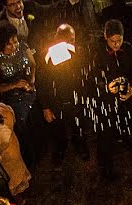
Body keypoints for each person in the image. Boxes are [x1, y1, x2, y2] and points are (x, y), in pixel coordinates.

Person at [91, 19, 132, 180]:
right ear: (105, 37)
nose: (116, 44)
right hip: (105, 102)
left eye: (119, 40)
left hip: (125, 100)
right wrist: (105, 87)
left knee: (127, 127)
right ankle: (106, 170)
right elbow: (91, 78)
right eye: (112, 41)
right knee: (105, 136)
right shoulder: (96, 53)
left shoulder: (130, 51)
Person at [38, 24, 90, 162]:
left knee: (78, 127)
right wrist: (46, 107)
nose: (70, 43)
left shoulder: (79, 52)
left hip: (76, 99)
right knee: (58, 130)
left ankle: (80, 145)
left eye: (72, 40)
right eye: (68, 40)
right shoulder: (47, 55)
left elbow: (86, 76)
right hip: (57, 100)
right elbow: (43, 83)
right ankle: (60, 149)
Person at [0, 21, 37, 153]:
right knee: (23, 124)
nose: (14, 46)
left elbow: (33, 65)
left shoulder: (23, 46)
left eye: (15, 41)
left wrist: (31, 81)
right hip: (13, 98)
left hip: (30, 89)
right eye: (9, 44)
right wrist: (14, 85)